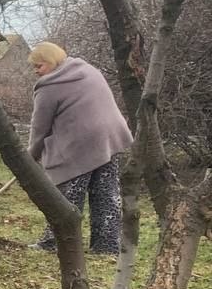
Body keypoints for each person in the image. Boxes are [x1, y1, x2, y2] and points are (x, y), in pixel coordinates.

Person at [26, 42, 133, 254]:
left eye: (39, 66)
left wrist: (31, 156)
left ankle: (55, 242)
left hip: (80, 145)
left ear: (51, 62)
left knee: (67, 196)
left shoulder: (49, 86)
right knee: (106, 192)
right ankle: (107, 245)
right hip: (109, 139)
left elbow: (40, 127)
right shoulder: (87, 69)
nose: (37, 72)